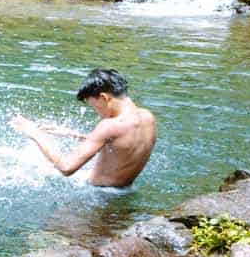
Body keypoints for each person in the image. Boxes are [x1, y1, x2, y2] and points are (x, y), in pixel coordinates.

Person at [9, 68, 157, 188]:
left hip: (99, 197)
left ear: (104, 98)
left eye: (94, 106)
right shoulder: (147, 117)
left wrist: (35, 133)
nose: (96, 111)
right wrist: (73, 134)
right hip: (124, 191)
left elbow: (66, 168)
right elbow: (121, 146)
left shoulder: (109, 125)